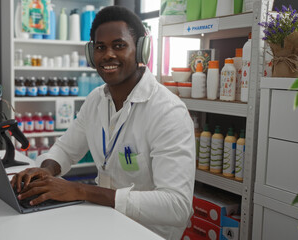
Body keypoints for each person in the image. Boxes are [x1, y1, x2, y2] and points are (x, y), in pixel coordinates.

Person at [11, 6, 195, 240]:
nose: (108, 54)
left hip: (148, 232)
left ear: (141, 50)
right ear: (91, 55)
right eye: (100, 47)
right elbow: (67, 149)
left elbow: (176, 206)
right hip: (103, 221)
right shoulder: (96, 100)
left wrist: (80, 190)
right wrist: (45, 171)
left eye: (119, 45)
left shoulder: (168, 112)